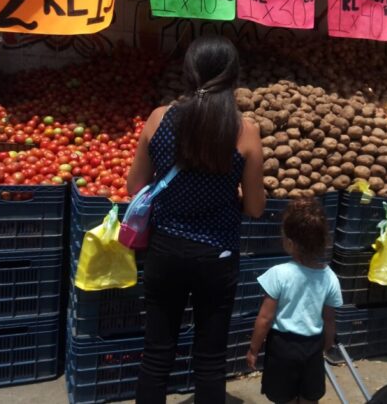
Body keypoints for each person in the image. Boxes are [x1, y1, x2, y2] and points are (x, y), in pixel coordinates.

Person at [127, 35, 265, 404]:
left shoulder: (159, 118)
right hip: (216, 256)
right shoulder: (246, 131)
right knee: (210, 358)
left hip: (164, 249)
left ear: (188, 72)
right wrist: (228, 192)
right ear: (233, 76)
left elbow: (135, 185)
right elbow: (255, 208)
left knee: (156, 353)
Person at [247, 198, 343, 404]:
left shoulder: (278, 274)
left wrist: (253, 349)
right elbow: (329, 321)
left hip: (283, 347)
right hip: (312, 346)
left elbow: (265, 318)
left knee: (284, 398)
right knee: (310, 397)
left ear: (289, 243)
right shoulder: (329, 277)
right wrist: (326, 346)